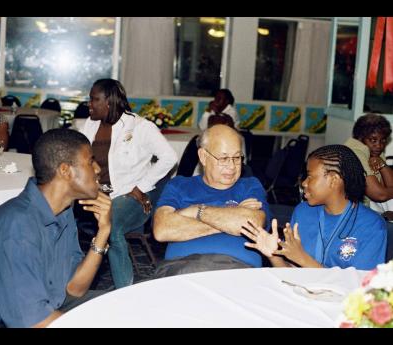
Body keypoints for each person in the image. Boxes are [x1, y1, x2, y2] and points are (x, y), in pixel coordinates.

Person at [0, 129, 112, 328]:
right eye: (90, 161)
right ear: (65, 170)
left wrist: (103, 232)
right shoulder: (16, 227)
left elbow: (74, 289)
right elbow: (32, 323)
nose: (98, 169)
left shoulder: (63, 211)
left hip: (39, 308)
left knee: (118, 306)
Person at [79, 78, 178, 289]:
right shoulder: (89, 124)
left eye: (94, 99)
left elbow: (169, 158)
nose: (89, 104)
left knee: (112, 226)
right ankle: (70, 280)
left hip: (131, 197)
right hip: (96, 195)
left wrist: (141, 187)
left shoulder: (141, 127)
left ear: (109, 102)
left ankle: (124, 291)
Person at [241, 145, 387, 270]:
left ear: (333, 180)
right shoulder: (303, 212)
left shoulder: (371, 225)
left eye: (310, 176)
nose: (304, 183)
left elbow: (360, 287)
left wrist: (303, 259)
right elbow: (293, 273)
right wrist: (273, 255)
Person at [153, 124, 270, 277]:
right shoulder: (179, 185)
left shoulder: (250, 186)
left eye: (237, 157)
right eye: (223, 158)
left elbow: (251, 223)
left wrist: (197, 211)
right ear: (203, 156)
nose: (232, 166)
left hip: (238, 270)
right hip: (181, 268)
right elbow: (162, 230)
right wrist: (233, 216)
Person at [344, 114, 393, 214]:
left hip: (367, 210)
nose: (379, 145)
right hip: (351, 214)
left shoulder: (375, 152)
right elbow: (380, 195)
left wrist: (383, 166)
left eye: (383, 140)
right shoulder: (356, 152)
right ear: (360, 138)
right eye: (373, 140)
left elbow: (388, 186)